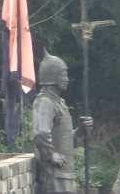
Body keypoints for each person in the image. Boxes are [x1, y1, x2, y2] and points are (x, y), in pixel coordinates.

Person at [32, 54, 92, 194]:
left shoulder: (59, 103)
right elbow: (40, 133)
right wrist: (50, 154)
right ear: (53, 77)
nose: (67, 79)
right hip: (54, 176)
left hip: (64, 174)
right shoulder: (45, 102)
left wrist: (80, 130)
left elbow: (65, 141)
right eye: (63, 75)